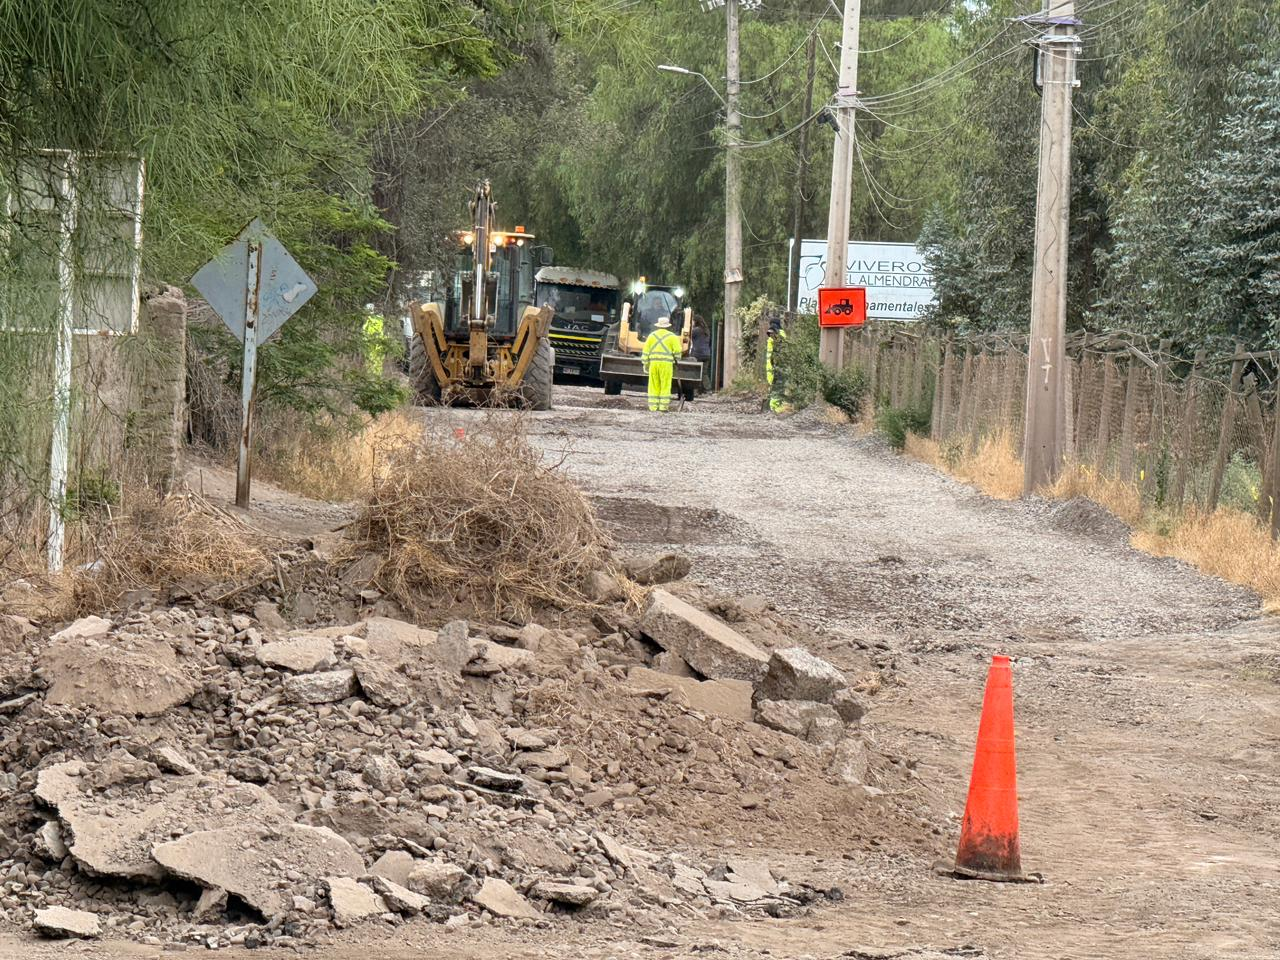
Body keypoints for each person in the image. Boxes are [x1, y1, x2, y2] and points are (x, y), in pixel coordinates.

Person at [642, 315, 681, 412]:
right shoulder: (672, 337)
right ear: (668, 326)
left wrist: (645, 363)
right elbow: (677, 351)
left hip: (654, 364)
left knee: (654, 384)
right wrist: (676, 360)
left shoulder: (651, 336)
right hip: (666, 365)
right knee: (665, 384)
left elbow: (646, 351)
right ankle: (663, 407)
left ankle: (653, 407)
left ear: (658, 326)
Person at [765, 315, 787, 413]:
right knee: (775, 386)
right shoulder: (777, 334)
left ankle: (776, 408)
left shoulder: (778, 334)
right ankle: (774, 406)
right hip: (773, 367)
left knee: (778, 386)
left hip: (776, 367)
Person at [690, 316, 712, 393]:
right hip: (706, 354)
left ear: (696, 322)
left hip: (697, 354)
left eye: (692, 321)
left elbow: (688, 338)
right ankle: (708, 389)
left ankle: (695, 390)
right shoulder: (706, 330)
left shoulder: (695, 330)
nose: (691, 323)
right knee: (704, 373)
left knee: (695, 372)